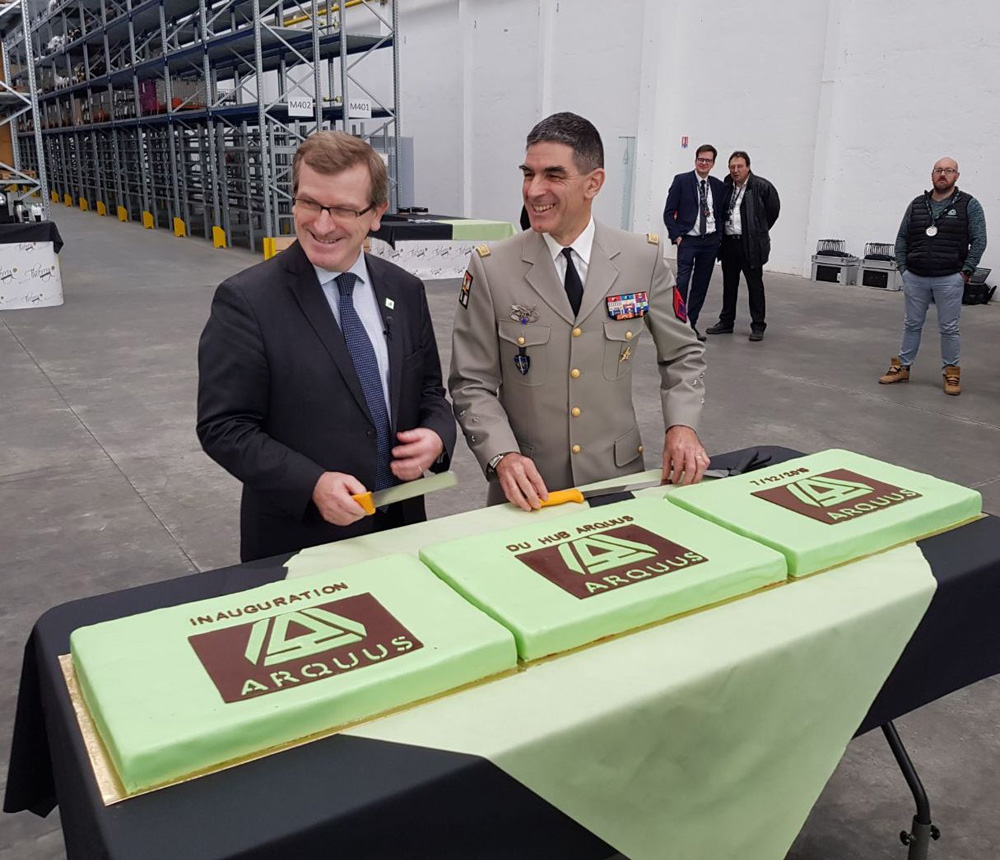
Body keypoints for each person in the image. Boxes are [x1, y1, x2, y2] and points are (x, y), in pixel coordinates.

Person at [197, 131, 455, 561]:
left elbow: (430, 391)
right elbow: (224, 426)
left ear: (376, 214)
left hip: (402, 531)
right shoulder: (247, 301)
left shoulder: (405, 291)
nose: (321, 224)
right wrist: (310, 483)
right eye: (309, 203)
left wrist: (436, 436)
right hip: (300, 543)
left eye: (342, 210)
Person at [449, 112, 708, 511]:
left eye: (553, 175)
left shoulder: (642, 258)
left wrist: (682, 426)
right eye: (528, 174)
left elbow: (683, 354)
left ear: (594, 183)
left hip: (617, 481)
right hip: (528, 491)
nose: (534, 190)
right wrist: (503, 456)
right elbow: (471, 383)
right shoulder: (491, 268)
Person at [878, 157, 987, 396]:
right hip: (915, 276)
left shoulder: (969, 205)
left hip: (950, 277)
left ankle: (951, 372)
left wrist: (965, 272)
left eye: (949, 170)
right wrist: (903, 269)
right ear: (932, 175)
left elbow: (979, 240)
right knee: (912, 324)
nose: (943, 174)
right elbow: (902, 238)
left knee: (949, 327)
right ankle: (902, 367)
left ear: (956, 176)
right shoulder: (917, 204)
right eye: (939, 170)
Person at [705, 151, 780, 341]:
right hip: (730, 243)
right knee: (729, 284)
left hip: (751, 244)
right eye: (732, 167)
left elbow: (772, 212)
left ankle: (758, 325)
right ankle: (726, 321)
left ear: (748, 167)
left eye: (739, 166)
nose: (735, 170)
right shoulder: (727, 186)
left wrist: (757, 231)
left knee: (755, 285)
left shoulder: (762, 186)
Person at [663, 144, 726, 341]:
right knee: (682, 281)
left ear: (713, 164)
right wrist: (677, 236)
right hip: (688, 240)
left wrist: (719, 239)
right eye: (701, 159)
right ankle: (678, 323)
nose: (704, 163)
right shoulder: (682, 181)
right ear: (695, 160)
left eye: (708, 160)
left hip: (710, 242)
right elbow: (668, 212)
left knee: (701, 284)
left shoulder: (717, 186)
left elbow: (721, 214)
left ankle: (692, 324)